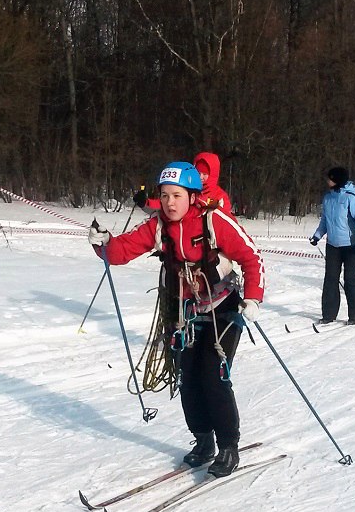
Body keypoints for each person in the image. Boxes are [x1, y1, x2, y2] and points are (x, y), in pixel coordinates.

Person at [90, 161, 264, 477]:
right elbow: (121, 252)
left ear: (192, 196)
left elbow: (251, 257)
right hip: (185, 313)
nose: (170, 202)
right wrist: (104, 243)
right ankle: (203, 440)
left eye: (177, 195)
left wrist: (252, 297)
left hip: (223, 309)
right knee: (188, 380)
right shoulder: (158, 227)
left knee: (214, 377)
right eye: (165, 195)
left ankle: (228, 446)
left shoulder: (214, 221)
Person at [310, 166, 355, 324]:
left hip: (351, 246)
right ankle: (328, 314)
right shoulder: (328, 197)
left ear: (337, 180)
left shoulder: (351, 197)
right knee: (330, 279)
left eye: (330, 178)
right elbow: (325, 221)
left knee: (350, 279)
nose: (327, 181)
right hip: (333, 245)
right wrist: (317, 236)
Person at [133, 151, 233, 215]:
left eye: (205, 174)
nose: (201, 177)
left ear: (213, 175)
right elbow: (166, 205)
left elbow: (228, 224)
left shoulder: (220, 197)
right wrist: (145, 202)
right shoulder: (187, 190)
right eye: (198, 173)